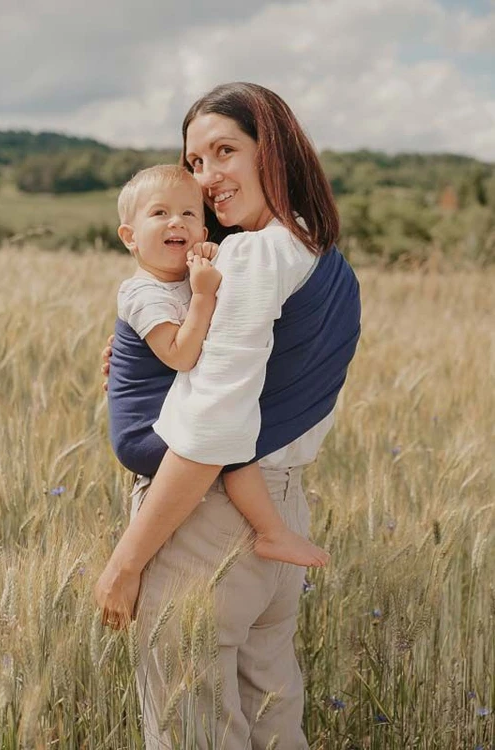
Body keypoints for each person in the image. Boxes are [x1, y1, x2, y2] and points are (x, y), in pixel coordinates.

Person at [96, 82, 361, 749]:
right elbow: (281, 381)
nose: (207, 176)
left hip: (206, 518)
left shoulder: (248, 256)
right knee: (274, 724)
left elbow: (212, 427)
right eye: (195, 161)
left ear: (274, 148)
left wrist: (127, 561)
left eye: (225, 151)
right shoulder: (325, 259)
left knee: (194, 731)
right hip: (279, 516)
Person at [113, 162, 329, 567]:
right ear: (130, 237)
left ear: (202, 231)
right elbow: (181, 355)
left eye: (189, 213)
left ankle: (272, 532)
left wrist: (213, 263)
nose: (176, 221)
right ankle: (271, 532)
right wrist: (203, 296)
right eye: (159, 213)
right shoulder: (142, 293)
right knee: (226, 438)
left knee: (226, 428)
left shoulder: (189, 273)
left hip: (165, 414)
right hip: (144, 431)